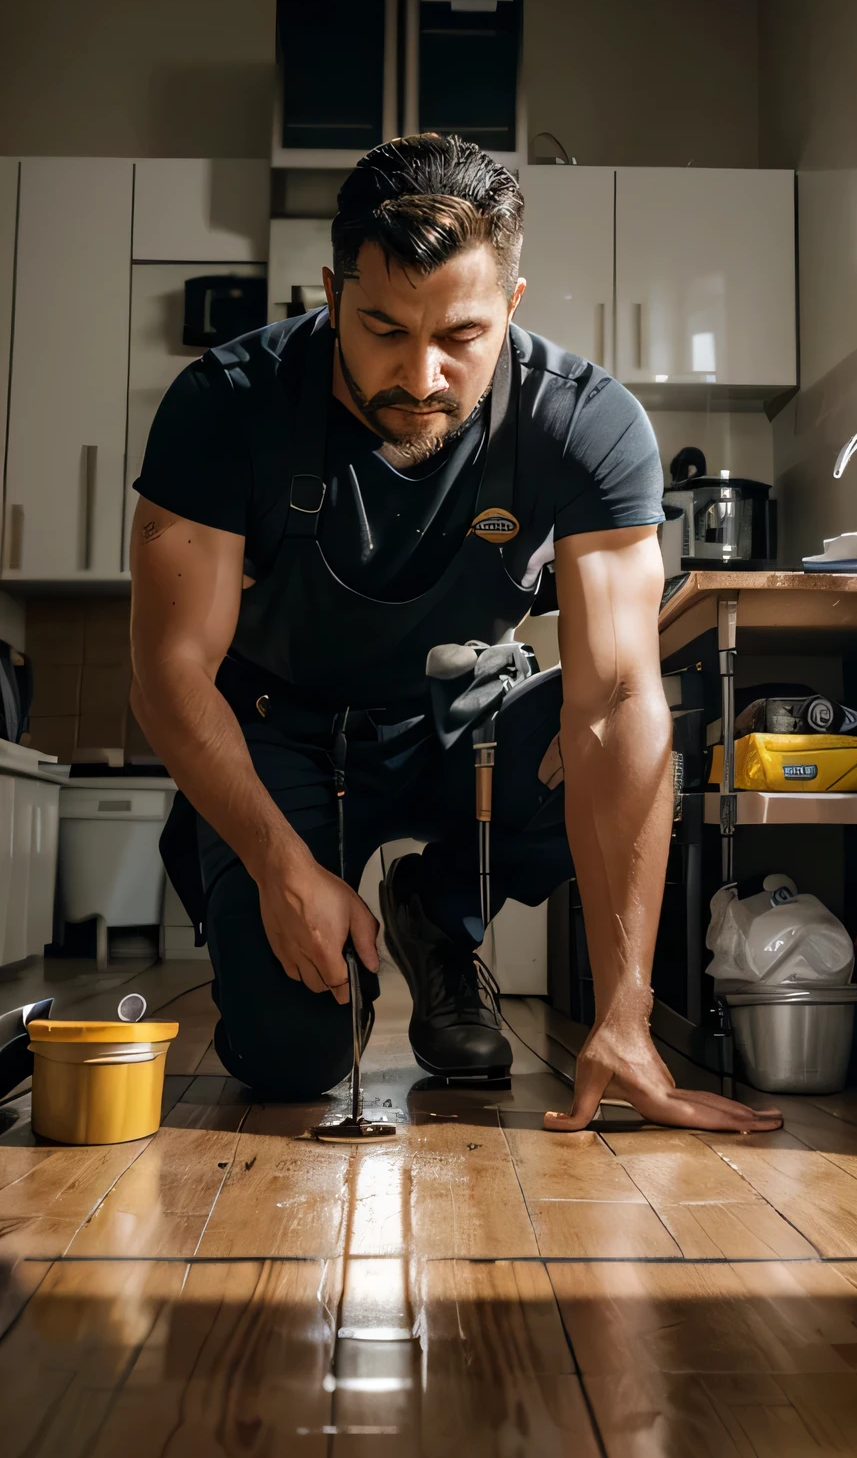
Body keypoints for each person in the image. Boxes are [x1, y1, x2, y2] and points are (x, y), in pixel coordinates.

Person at [129, 134, 780, 1135]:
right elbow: (171, 672)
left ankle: (438, 912)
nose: (421, 376)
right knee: (289, 1061)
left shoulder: (585, 422)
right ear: (330, 290)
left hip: (462, 722)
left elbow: (617, 699)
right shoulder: (226, 405)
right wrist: (280, 867)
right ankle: (284, 896)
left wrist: (626, 1012)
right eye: (382, 328)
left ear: (512, 308)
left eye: (461, 337)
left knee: (599, 737)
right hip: (280, 732)